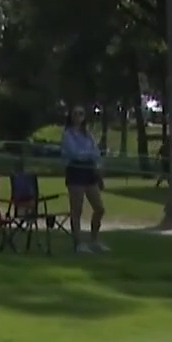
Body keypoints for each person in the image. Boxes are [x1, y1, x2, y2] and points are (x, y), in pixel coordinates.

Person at [59, 107, 109, 253]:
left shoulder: (88, 135)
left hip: (89, 172)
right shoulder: (67, 134)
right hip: (75, 171)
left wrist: (93, 161)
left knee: (99, 208)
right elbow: (74, 153)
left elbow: (96, 153)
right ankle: (78, 243)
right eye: (75, 113)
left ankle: (94, 240)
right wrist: (88, 155)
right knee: (77, 210)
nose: (78, 116)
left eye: (81, 114)